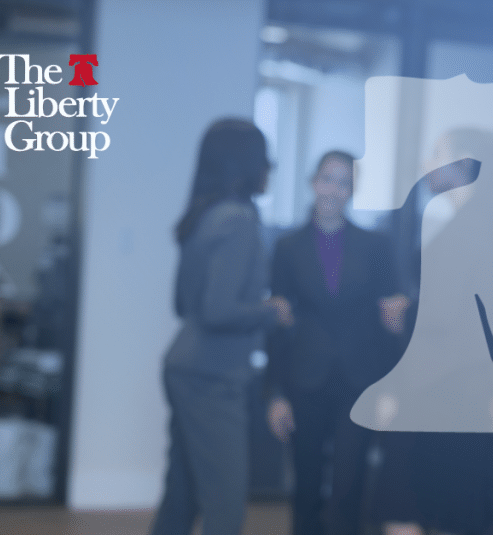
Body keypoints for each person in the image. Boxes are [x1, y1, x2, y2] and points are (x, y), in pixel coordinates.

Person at [150, 118, 291, 535]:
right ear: (246, 165)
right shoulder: (239, 220)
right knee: (226, 508)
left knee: (181, 496)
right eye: (265, 158)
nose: (271, 167)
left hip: (185, 366)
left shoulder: (204, 215)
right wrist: (272, 309)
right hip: (212, 377)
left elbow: (183, 306)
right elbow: (217, 311)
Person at [265, 150, 409, 535]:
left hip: (359, 381)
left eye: (344, 182)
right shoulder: (286, 247)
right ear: (314, 183)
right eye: (328, 179)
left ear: (352, 190)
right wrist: (276, 393)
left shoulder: (376, 246)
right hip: (304, 378)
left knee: (350, 484)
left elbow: (390, 321)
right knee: (306, 485)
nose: (334, 189)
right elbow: (277, 324)